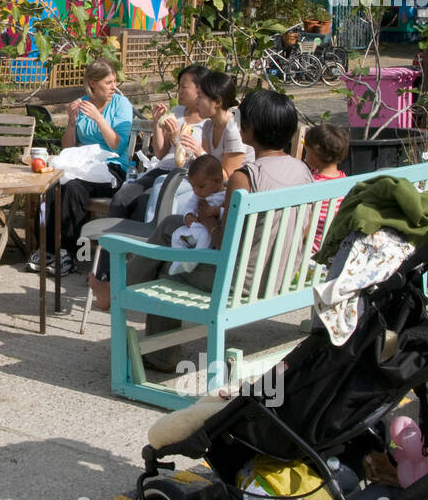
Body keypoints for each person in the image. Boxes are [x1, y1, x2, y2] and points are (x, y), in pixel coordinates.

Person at [130, 89, 312, 371]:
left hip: (242, 282)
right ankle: (123, 287)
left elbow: (222, 242)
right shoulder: (302, 170)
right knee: (169, 226)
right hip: (282, 273)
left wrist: (209, 220)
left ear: (249, 129)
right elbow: (302, 233)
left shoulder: (246, 177)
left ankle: (156, 352)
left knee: (169, 268)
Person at [31, 57, 132, 276]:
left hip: (110, 168)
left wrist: (98, 118)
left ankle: (66, 252)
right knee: (52, 186)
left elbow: (118, 144)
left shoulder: (121, 105)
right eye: (108, 82)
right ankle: (46, 249)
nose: (114, 87)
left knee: (74, 189)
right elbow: (68, 147)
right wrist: (71, 122)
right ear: (93, 83)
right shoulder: (82, 103)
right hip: (83, 166)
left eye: (114, 81)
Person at [105, 64, 210, 225]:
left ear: (200, 89)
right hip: (162, 169)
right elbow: (161, 153)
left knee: (144, 201)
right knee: (121, 198)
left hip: (184, 175)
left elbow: (201, 159)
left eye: (184, 87)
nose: (179, 91)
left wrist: (177, 137)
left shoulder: (208, 123)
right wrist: (157, 123)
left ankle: (138, 248)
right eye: (178, 87)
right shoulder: (177, 112)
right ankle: (111, 248)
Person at [165, 155, 227, 276]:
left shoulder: (225, 196)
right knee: (176, 234)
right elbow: (189, 206)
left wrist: (218, 211)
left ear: (218, 181)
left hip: (209, 233)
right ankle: (178, 262)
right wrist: (188, 215)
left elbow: (228, 212)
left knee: (204, 235)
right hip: (194, 230)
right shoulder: (198, 195)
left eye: (201, 186)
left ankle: (193, 261)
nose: (196, 191)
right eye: (193, 186)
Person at [195, 70, 253, 182]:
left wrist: (200, 154)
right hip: (212, 185)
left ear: (217, 102)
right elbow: (206, 168)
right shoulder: (208, 125)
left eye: (200, 97)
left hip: (234, 190)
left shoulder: (233, 129)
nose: (196, 101)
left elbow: (228, 176)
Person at [302, 124, 349, 251]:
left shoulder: (312, 186)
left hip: (311, 250)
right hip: (331, 247)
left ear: (315, 153)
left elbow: (306, 227)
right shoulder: (344, 179)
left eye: (307, 151)